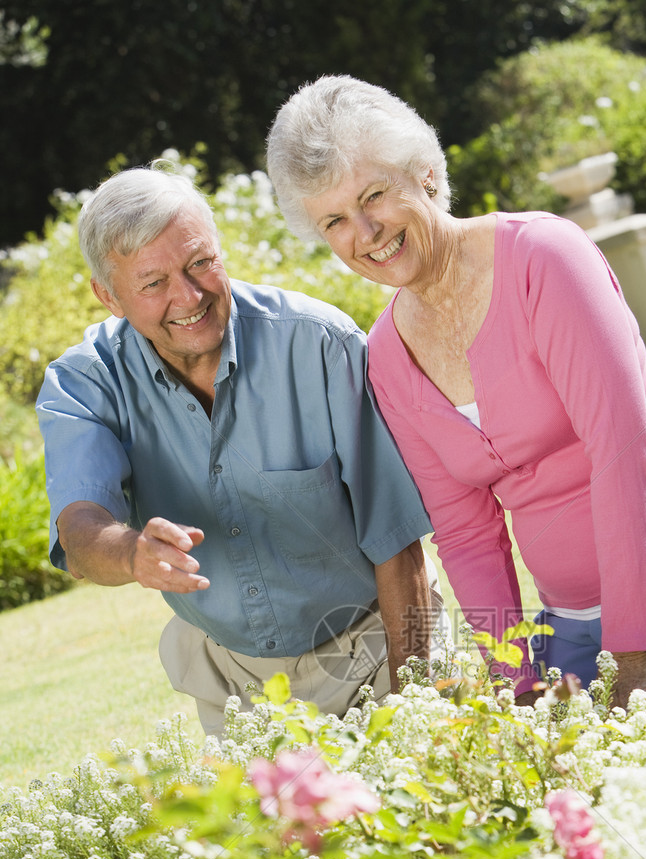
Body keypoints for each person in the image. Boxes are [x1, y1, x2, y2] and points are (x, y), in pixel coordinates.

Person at [266, 75, 646, 727]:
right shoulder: (386, 356)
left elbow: (621, 454)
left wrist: (630, 663)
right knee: (556, 764)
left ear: (426, 173)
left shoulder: (543, 258)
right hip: (574, 609)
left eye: (374, 195)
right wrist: (514, 680)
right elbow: (465, 532)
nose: (365, 232)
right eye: (335, 221)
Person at [37, 164, 448, 737]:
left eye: (200, 262)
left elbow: (396, 543)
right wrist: (132, 552)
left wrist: (415, 702)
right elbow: (81, 530)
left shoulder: (319, 345)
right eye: (153, 283)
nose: (188, 297)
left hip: (374, 649)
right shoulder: (85, 383)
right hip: (233, 683)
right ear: (108, 296)